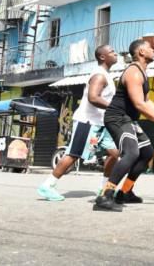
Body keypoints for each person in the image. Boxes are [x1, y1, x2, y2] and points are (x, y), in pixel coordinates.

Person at [95, 39, 154, 212]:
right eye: (149, 48)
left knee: (146, 153)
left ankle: (125, 192)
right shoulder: (133, 72)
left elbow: (147, 101)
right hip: (117, 118)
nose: (153, 50)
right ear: (141, 52)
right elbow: (139, 104)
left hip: (129, 120)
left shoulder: (142, 72)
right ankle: (105, 195)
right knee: (132, 153)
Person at [37, 44, 121, 202]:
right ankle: (48, 185)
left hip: (102, 122)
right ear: (102, 57)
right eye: (112, 52)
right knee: (73, 154)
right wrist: (115, 108)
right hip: (87, 121)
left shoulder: (107, 75)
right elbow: (93, 98)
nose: (115, 54)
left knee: (114, 152)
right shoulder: (99, 75)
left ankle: (105, 187)